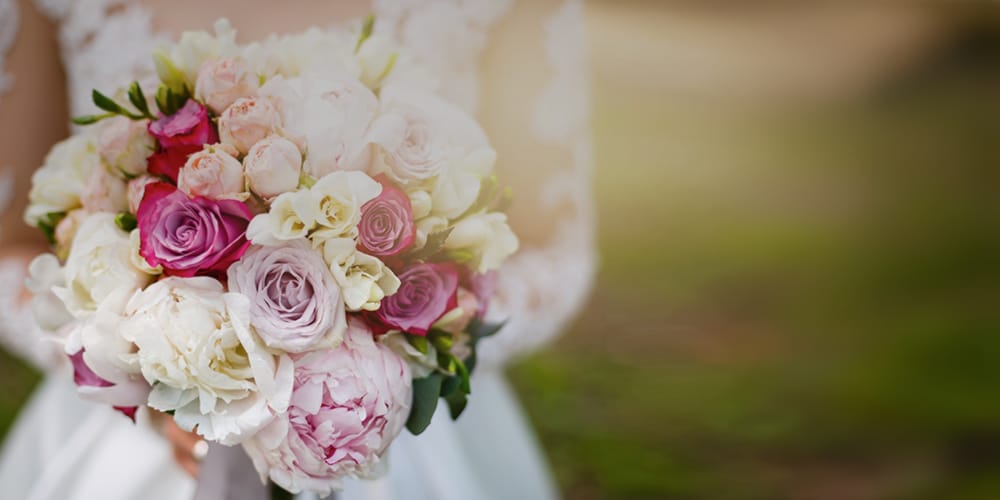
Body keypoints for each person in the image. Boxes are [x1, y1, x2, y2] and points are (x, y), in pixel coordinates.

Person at [0, 1, 596, 498]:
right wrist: (145, 367)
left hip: (405, 436)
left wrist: (385, 367)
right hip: (130, 435)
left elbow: (553, 249)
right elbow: (14, 249)